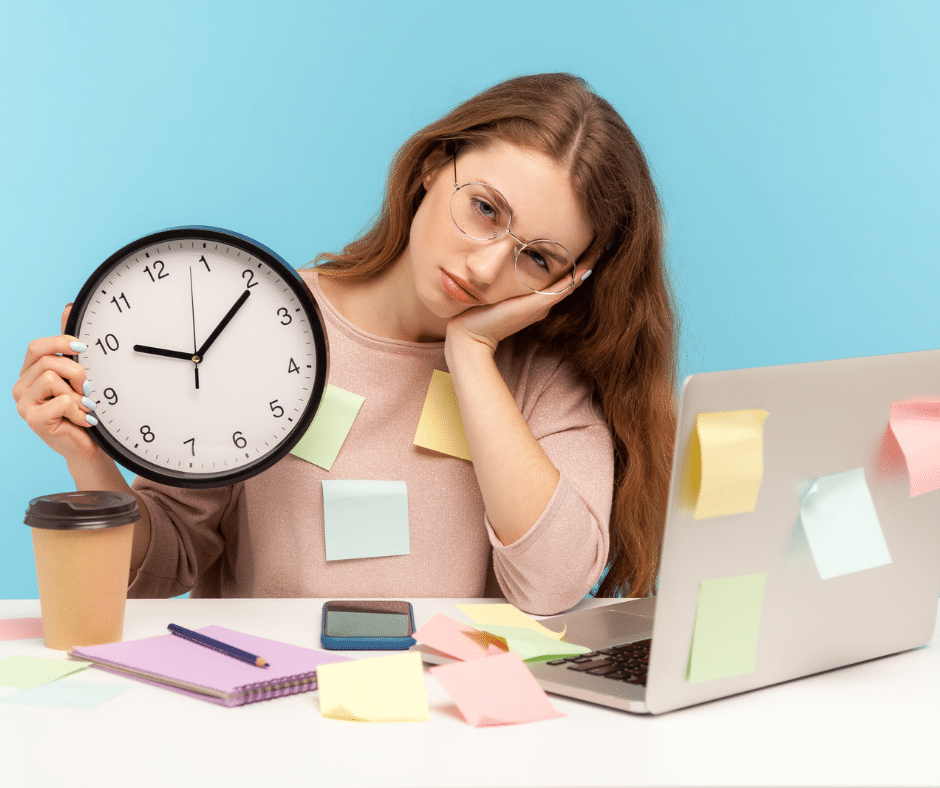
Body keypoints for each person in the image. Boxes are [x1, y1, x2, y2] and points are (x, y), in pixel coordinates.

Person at [13, 73, 677, 615]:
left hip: (454, 731)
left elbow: (555, 585)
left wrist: (471, 356)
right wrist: (90, 463)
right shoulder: (260, 321)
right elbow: (161, 568)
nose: (484, 269)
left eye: (536, 257)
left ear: (570, 281)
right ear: (430, 168)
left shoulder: (542, 379)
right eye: (483, 209)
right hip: (275, 714)